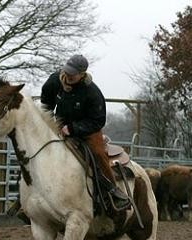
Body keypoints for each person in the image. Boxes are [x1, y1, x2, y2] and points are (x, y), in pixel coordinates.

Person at [40, 54, 130, 209]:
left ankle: (113, 192)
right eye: (67, 71)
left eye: (73, 74)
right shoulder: (55, 81)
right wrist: (46, 122)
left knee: (98, 153)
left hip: (88, 129)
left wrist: (73, 128)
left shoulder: (92, 93)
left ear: (82, 74)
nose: (68, 76)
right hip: (59, 125)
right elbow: (46, 104)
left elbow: (98, 121)